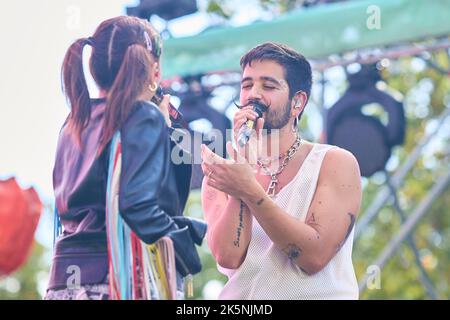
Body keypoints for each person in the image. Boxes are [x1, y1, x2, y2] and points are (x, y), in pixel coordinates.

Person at [45, 16, 206, 300]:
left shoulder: (74, 122)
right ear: (154, 71)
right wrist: (184, 249)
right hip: (121, 277)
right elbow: (138, 205)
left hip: (65, 281)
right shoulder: (143, 117)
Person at [201, 42, 362, 299]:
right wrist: (241, 176)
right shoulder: (221, 175)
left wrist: (249, 189)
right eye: (246, 85)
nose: (254, 94)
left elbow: (313, 256)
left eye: (268, 86)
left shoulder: (334, 162)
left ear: (297, 102)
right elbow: (229, 257)